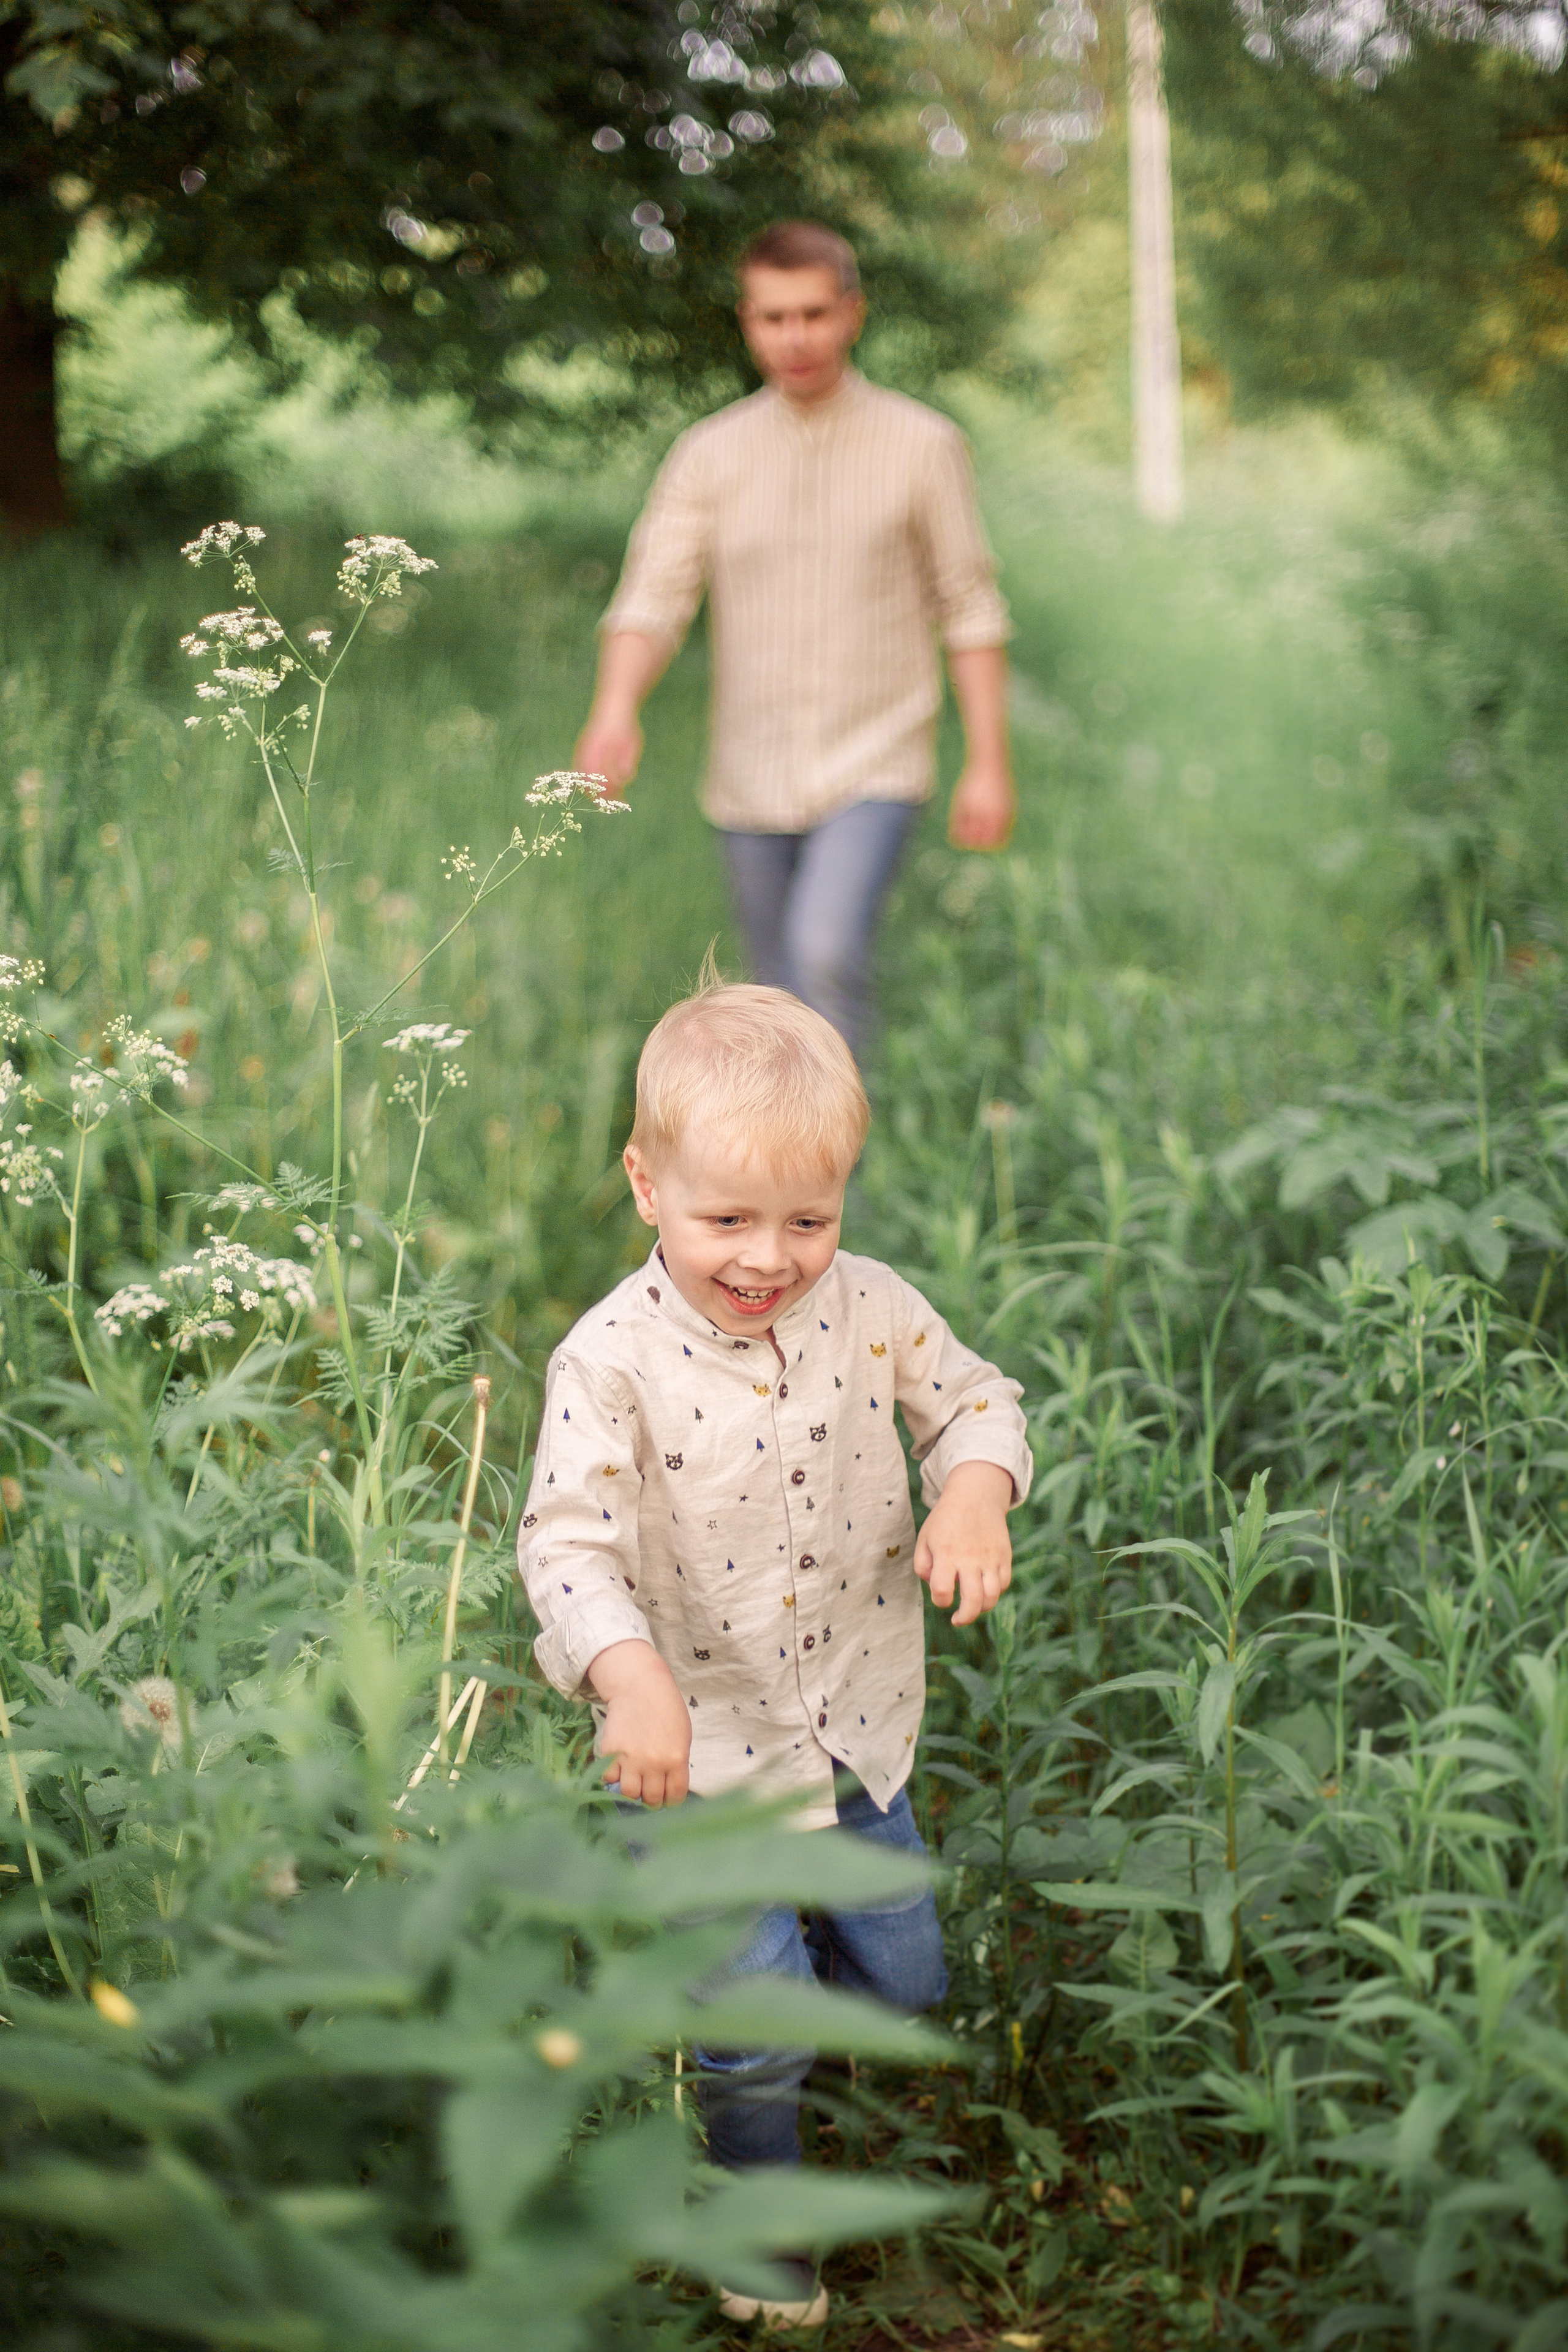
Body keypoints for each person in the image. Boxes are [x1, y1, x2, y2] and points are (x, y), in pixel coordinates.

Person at [517, 978, 1033, 2329]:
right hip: (699, 1770)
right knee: (754, 2041)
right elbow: (566, 1546)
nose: (770, 1256)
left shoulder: (866, 1307)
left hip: (857, 1733)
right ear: (644, 1184)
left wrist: (971, 1491)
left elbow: (975, 1398)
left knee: (903, 1987)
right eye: (726, 1219)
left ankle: (792, 2022)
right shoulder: (609, 1363)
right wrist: (626, 1678)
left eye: (809, 1218)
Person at [572, 219, 1016, 1059]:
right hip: (750, 769)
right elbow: (655, 594)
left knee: (827, 953)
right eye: (774, 318)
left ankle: (839, 1183)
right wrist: (615, 707)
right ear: (747, 322)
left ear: (852, 313)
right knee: (774, 992)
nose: (795, 338)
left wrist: (989, 762)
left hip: (877, 758)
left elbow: (969, 606)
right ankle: (786, 1182)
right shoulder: (709, 453)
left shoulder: (924, 445)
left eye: (813, 314)